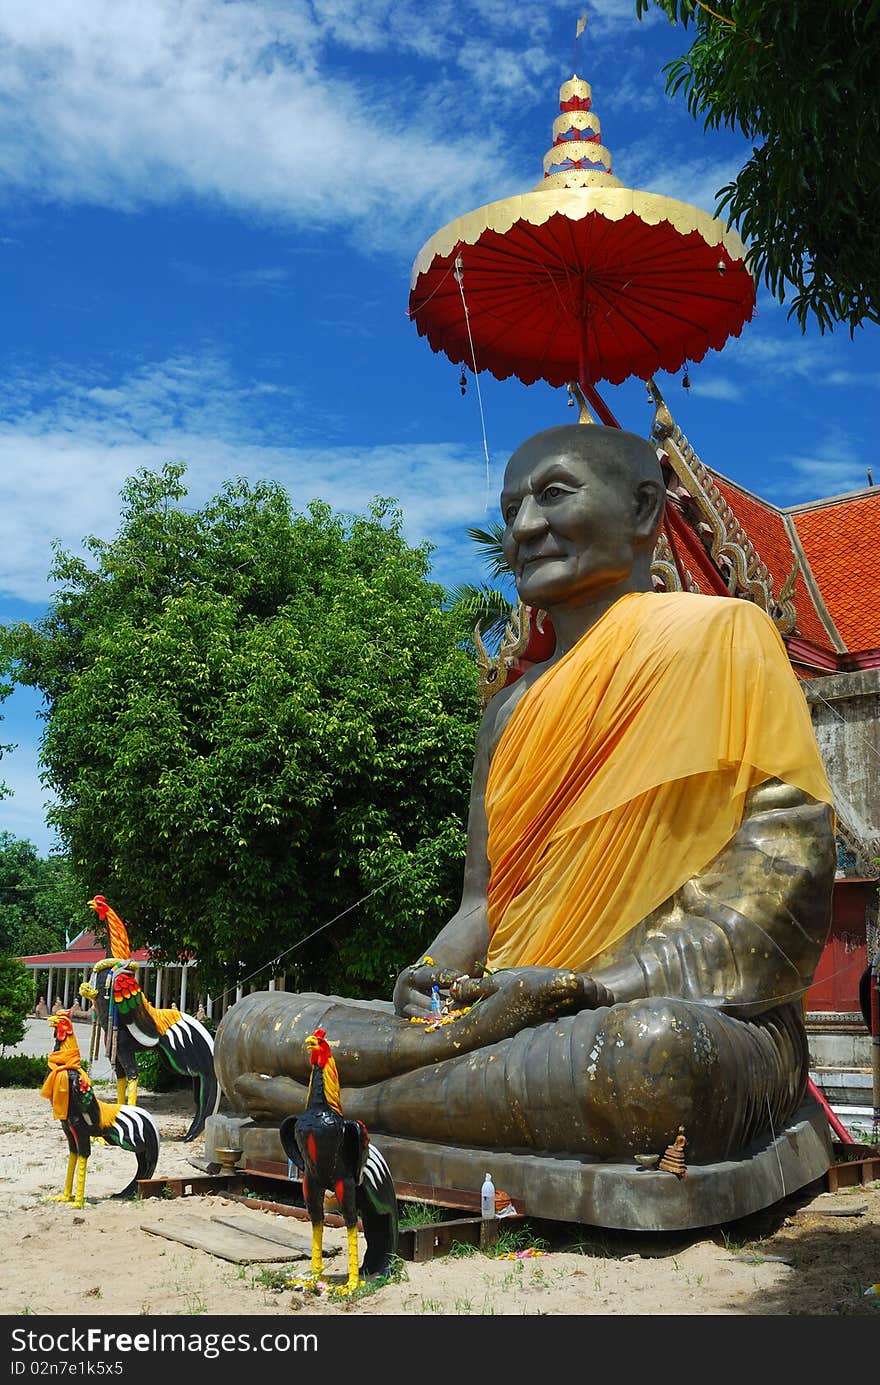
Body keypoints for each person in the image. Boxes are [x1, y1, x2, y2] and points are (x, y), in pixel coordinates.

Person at [213, 423, 836, 1165]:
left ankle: (338, 1103)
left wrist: (584, 989)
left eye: (553, 494)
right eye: (511, 510)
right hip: (504, 1023)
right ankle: (370, 1097)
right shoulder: (506, 711)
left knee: (653, 1057)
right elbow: (483, 906)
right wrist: (435, 975)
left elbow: (777, 904)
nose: (525, 527)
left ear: (644, 509)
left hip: (666, 1014)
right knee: (251, 1024)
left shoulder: (728, 638)